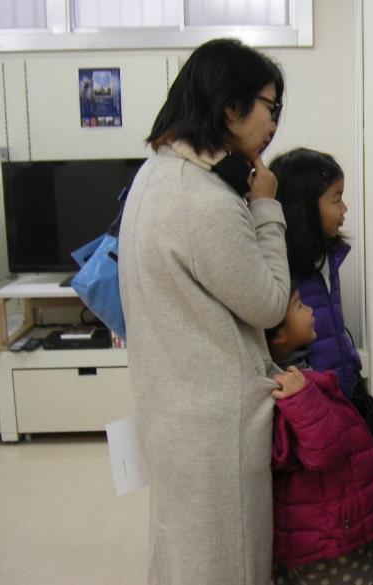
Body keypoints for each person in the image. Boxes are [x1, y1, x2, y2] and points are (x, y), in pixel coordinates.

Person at [118, 38, 289, 585]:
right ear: (230, 108)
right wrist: (265, 205)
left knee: (183, 557)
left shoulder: (155, 176)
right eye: (271, 106)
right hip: (215, 430)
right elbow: (268, 303)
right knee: (229, 564)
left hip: (171, 414)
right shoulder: (204, 202)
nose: (274, 122)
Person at [265, 291, 373, 585]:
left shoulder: (296, 376)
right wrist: (303, 399)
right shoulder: (289, 388)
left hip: (334, 526)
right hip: (330, 540)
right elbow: (323, 448)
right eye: (299, 306)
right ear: (278, 336)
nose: (310, 310)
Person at [269, 148, 362, 399]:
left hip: (342, 392)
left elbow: (335, 329)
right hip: (315, 398)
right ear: (305, 207)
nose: (344, 208)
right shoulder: (283, 271)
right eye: (336, 199)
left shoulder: (328, 255)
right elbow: (288, 352)